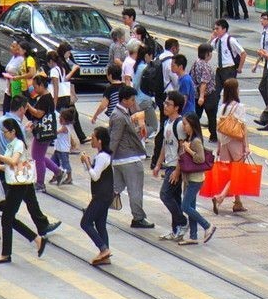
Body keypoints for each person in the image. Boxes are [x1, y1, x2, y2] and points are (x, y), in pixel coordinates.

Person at [0, 117, 52, 264]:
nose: (3, 135)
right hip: (16, 182)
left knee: (7, 218)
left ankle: (7, 253)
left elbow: (14, 161)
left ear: (13, 131)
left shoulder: (18, 144)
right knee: (8, 218)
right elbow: (10, 167)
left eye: (5, 132)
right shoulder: (11, 145)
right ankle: (36, 240)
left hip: (19, 185)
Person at [109, 86, 154, 228]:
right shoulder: (119, 116)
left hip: (121, 159)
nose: (134, 102)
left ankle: (95, 209)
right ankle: (138, 218)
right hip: (129, 159)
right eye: (132, 100)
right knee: (135, 190)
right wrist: (107, 158)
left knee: (116, 188)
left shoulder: (121, 113)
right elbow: (115, 138)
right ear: (124, 100)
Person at [153, 90, 189, 241]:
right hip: (169, 165)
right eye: (165, 103)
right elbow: (164, 146)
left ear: (177, 107)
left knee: (165, 195)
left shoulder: (180, 124)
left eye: (168, 104)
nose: (165, 105)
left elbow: (182, 150)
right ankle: (176, 230)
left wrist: (177, 171)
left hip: (175, 166)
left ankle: (182, 222)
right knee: (175, 197)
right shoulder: (168, 122)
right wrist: (158, 164)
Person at [77, 126, 115, 266]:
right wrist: (85, 162)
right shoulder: (101, 156)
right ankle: (105, 255)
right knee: (100, 224)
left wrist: (87, 161)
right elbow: (92, 171)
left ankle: (103, 249)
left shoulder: (103, 157)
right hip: (103, 195)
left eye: (93, 138)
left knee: (85, 222)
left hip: (101, 196)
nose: (91, 139)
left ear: (99, 141)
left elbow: (95, 176)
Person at [176, 114, 215, 244]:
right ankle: (193, 236)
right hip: (189, 178)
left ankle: (207, 226)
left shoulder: (196, 141)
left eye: (185, 124)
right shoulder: (190, 138)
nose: (184, 127)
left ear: (192, 124)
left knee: (185, 206)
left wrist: (188, 150)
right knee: (191, 206)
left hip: (196, 179)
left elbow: (200, 159)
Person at [212, 78, 249, 214]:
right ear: (235, 90)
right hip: (236, 142)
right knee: (237, 173)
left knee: (231, 172)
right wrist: (246, 146)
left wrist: (219, 145)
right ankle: (220, 197)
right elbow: (243, 128)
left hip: (224, 142)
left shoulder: (221, 107)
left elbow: (218, 127)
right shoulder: (239, 107)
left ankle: (237, 202)